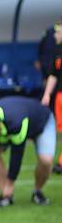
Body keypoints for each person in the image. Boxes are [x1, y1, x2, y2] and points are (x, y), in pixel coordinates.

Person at [0, 96, 55, 207]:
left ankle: (37, 192)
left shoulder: (16, 122)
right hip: (9, 126)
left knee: (46, 161)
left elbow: (17, 154)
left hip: (41, 123)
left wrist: (11, 182)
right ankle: (6, 196)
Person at [40, 22, 62, 174]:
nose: (55, 35)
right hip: (60, 96)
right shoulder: (57, 52)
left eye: (58, 32)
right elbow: (53, 75)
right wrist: (47, 94)